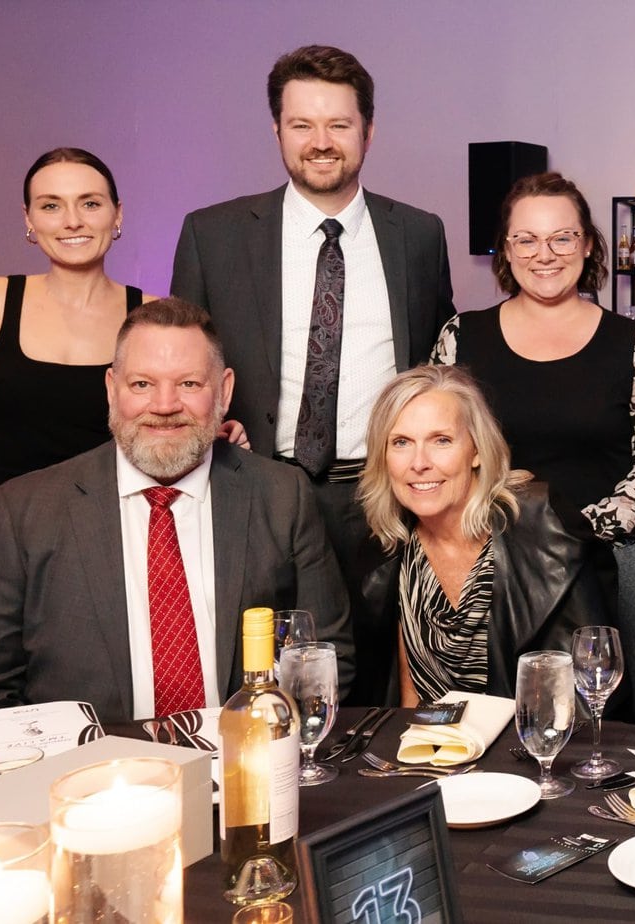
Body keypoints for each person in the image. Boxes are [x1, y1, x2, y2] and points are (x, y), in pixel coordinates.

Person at [0, 298, 352, 745]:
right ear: (112, 389)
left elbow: (326, 661)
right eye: (142, 384)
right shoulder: (27, 511)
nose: (164, 405)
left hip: (245, 768)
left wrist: (260, 758)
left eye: (189, 383)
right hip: (86, 777)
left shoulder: (282, 497)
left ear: (224, 391)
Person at [171, 45, 456, 705]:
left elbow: (438, 367)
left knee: (378, 670)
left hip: (379, 496)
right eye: (302, 124)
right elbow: (183, 361)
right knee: (256, 674)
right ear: (277, 129)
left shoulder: (418, 235)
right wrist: (213, 422)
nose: (320, 142)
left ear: (368, 131)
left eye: (339, 125)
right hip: (257, 488)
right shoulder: (213, 234)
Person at [0, 148, 250, 636]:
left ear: (117, 215)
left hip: (106, 536)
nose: (72, 220)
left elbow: (170, 415)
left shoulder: (151, 315)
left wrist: (216, 432)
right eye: (51, 205)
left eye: (90, 203)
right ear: (29, 219)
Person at [431, 172, 635, 543]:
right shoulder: (459, 337)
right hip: (481, 546)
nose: (544, 255)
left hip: (596, 554)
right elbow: (436, 449)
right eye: (526, 240)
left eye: (562, 238)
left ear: (587, 245)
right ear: (507, 250)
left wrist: (572, 534)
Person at [356, 365, 610, 705]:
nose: (419, 463)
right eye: (401, 442)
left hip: (529, 735)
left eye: (441, 440)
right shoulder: (386, 548)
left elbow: (588, 688)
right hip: (428, 737)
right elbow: (405, 703)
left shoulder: (547, 526)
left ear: (476, 450)